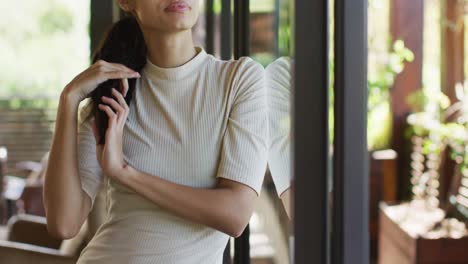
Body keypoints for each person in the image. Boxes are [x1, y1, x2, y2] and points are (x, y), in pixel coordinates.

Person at [43, 0, 268, 263]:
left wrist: (124, 173)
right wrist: (68, 101)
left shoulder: (240, 81)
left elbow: (235, 215)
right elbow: (63, 224)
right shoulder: (113, 95)